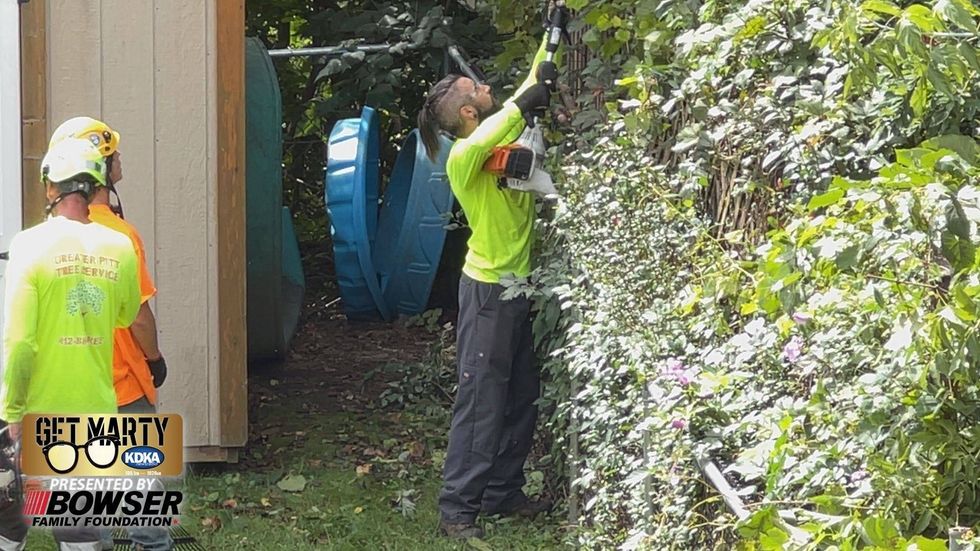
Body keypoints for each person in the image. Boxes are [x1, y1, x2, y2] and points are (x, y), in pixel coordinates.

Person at [418, 17, 566, 539]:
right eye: (476, 89)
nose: (486, 88)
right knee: (481, 400)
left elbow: (528, 85)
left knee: (521, 393)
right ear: (467, 112)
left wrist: (553, 31)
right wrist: (526, 104)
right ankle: (457, 511)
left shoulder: (496, 137)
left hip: (518, 287)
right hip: (486, 292)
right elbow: (514, 110)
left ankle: (503, 492)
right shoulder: (463, 157)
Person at [0, 137, 142, 550]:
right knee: (78, 528)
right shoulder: (120, 246)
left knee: (9, 519)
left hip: (34, 410)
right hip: (95, 412)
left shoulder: (28, 245)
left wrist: (12, 412)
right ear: (96, 186)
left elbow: (20, 343)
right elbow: (125, 315)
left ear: (50, 187)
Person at [47, 117, 173, 551]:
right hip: (121, 382)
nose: (120, 159)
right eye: (113, 154)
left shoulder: (48, 235)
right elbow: (138, 317)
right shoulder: (120, 235)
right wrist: (154, 359)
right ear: (99, 168)